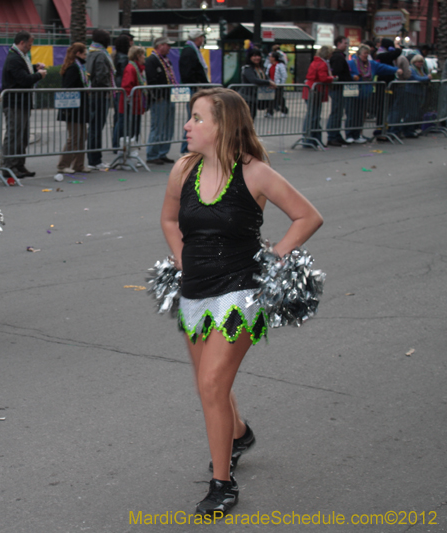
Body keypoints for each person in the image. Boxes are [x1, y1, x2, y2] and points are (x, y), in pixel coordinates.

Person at [160, 87, 323, 515]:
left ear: (222, 126)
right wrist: (181, 260)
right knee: (209, 384)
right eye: (190, 117)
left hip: (241, 295)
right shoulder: (182, 169)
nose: (188, 125)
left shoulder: (255, 174)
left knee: (212, 384)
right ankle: (240, 434)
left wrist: (274, 258)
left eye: (197, 118)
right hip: (194, 292)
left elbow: (308, 216)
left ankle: (222, 485)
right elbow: (170, 218)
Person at [0, 31, 47, 184]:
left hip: (22, 103)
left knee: (23, 135)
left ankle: (19, 164)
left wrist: (34, 68)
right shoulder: (14, 58)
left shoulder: (20, 56)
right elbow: (23, 79)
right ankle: (9, 165)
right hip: (14, 103)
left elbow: (23, 72)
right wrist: (39, 75)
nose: (30, 47)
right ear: (22, 43)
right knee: (14, 134)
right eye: (29, 44)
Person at [345, 44, 400, 143]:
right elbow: (346, 73)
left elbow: (383, 67)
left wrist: (396, 70)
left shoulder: (371, 64)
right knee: (352, 114)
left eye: (367, 53)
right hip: (353, 92)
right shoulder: (351, 63)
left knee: (360, 115)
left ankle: (357, 134)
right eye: (364, 53)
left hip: (365, 93)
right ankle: (349, 134)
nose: (366, 55)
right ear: (359, 54)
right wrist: (353, 76)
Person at [56, 43, 92, 174]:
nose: (85, 56)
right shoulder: (73, 68)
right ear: (78, 54)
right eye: (84, 54)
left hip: (80, 107)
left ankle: (79, 164)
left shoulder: (79, 67)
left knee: (82, 136)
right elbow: (68, 87)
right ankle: (63, 165)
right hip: (73, 108)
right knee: (75, 137)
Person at [145, 36, 178, 166]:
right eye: (167, 45)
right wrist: (156, 95)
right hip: (160, 98)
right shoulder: (152, 60)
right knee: (158, 126)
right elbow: (151, 80)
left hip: (169, 97)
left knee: (168, 127)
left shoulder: (166, 60)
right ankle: (152, 154)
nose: (169, 48)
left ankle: (162, 152)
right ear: (160, 46)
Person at [86, 29, 114, 170]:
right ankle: (95, 160)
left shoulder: (91, 52)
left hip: (94, 93)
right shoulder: (101, 55)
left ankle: (94, 159)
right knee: (97, 127)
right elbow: (102, 75)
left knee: (94, 127)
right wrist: (107, 88)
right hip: (100, 94)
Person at [179, 29, 209, 153]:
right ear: (197, 38)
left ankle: (190, 147)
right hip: (192, 88)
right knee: (193, 117)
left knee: (195, 117)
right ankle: (186, 147)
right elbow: (188, 71)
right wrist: (197, 83)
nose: (202, 40)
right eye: (201, 37)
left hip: (195, 87)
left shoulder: (193, 50)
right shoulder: (189, 51)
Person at [302, 46, 335, 147]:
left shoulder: (315, 62)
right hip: (316, 90)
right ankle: (311, 139)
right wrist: (333, 78)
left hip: (310, 89)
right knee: (314, 116)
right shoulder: (322, 64)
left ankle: (311, 139)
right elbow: (323, 78)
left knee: (312, 115)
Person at [118, 46, 148, 160]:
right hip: (130, 106)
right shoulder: (131, 68)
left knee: (134, 130)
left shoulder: (138, 69)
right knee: (129, 130)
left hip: (136, 106)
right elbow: (127, 87)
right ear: (138, 56)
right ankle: (126, 155)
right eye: (142, 55)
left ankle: (132, 153)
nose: (144, 57)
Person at [325, 36, 352, 146]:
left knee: (339, 112)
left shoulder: (340, 56)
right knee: (336, 112)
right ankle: (332, 135)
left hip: (341, 88)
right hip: (338, 88)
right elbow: (336, 72)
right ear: (339, 43)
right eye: (345, 43)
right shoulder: (337, 57)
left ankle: (336, 134)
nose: (346, 45)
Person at [238, 49, 275, 121]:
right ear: (250, 57)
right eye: (254, 56)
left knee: (251, 118)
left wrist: (269, 83)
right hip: (247, 97)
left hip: (255, 97)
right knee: (246, 119)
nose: (257, 58)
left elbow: (266, 78)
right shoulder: (247, 68)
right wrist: (268, 83)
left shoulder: (261, 68)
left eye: (258, 55)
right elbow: (253, 80)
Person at [112, 32, 134, 153]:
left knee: (118, 117)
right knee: (121, 117)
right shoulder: (124, 58)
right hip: (122, 89)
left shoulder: (115, 56)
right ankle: (117, 144)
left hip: (117, 88)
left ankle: (116, 143)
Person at [265, 52, 288, 117]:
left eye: (271, 57)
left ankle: (284, 111)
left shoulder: (280, 65)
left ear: (274, 58)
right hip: (271, 84)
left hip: (278, 85)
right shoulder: (269, 65)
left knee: (280, 98)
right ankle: (269, 112)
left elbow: (284, 75)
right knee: (270, 98)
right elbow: (267, 74)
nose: (269, 58)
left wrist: (281, 84)